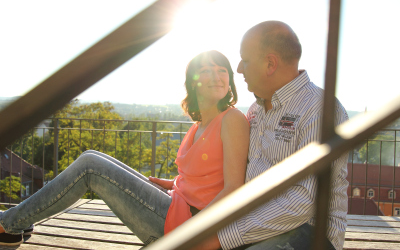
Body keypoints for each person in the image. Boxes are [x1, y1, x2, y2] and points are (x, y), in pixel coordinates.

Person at [0, 50, 250, 246]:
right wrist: (173, 183)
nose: (217, 76)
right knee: (91, 156)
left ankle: (8, 224)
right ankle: (19, 221)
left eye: (222, 71)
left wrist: (196, 235)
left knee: (90, 168)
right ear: (194, 82)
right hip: (176, 203)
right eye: (207, 70)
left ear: (229, 81)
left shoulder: (232, 119)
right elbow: (206, 176)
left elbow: (233, 188)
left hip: (186, 224)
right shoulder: (199, 125)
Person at [197, 21, 349, 250]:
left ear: (270, 64)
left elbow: (303, 202)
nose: (238, 69)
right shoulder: (255, 111)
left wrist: (221, 237)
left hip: (307, 234)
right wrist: (184, 183)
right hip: (250, 227)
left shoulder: (320, 110)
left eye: (245, 60)